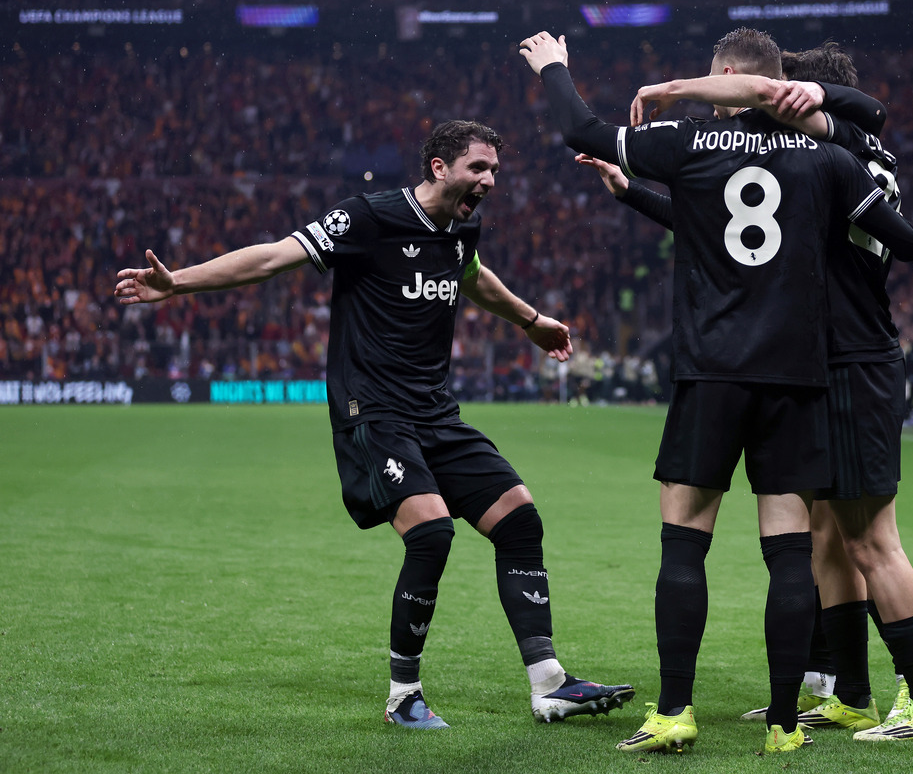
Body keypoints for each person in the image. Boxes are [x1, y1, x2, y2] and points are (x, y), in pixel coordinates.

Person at [114, 119, 634, 729]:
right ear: (439, 168)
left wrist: (530, 319)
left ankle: (549, 685)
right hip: (375, 412)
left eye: (495, 169)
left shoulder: (462, 225)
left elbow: (469, 275)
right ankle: (402, 695)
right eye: (478, 168)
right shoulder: (368, 217)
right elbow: (274, 257)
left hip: (436, 412)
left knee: (520, 520)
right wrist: (180, 284)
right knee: (433, 534)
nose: (490, 180)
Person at [520, 28, 913, 754]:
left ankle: (678, 710)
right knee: (797, 551)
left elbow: (580, 128)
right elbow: (902, 232)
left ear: (735, 82)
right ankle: (785, 722)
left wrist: (554, 68)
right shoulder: (829, 159)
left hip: (715, 369)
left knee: (689, 542)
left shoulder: (688, 144)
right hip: (800, 375)